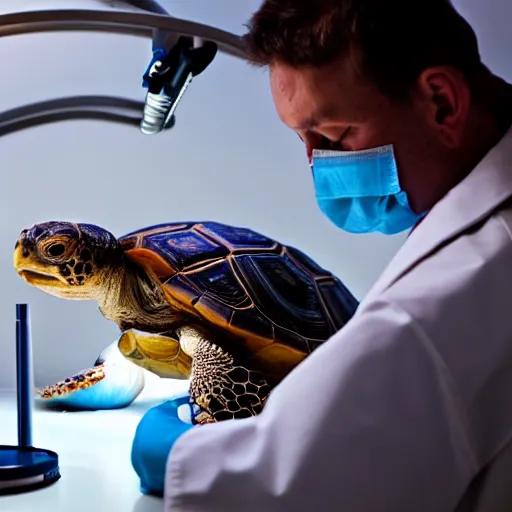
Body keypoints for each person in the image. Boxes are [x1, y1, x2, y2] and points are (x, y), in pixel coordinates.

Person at [131, 0, 512, 509]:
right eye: (300, 139)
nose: (315, 163)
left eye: (333, 135)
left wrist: (171, 449)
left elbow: (286, 481)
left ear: (441, 102)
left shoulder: (463, 287)